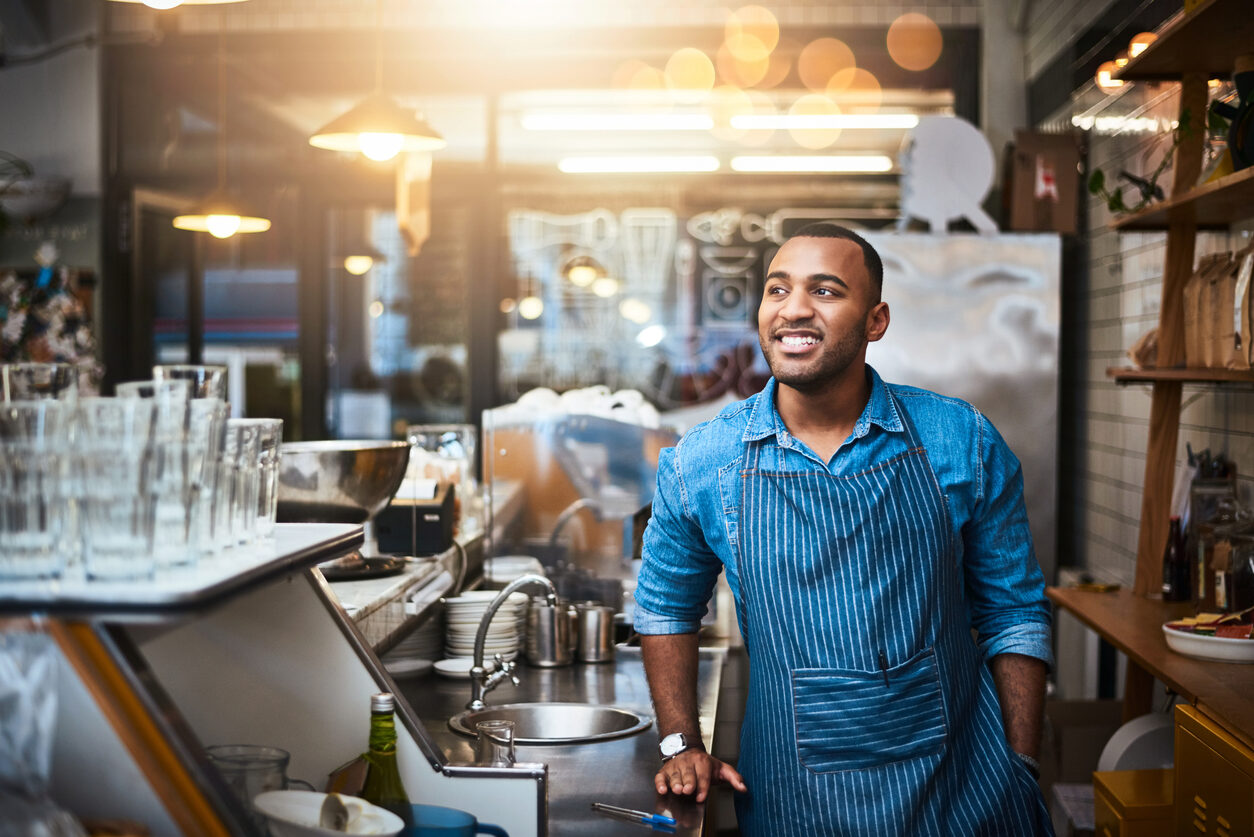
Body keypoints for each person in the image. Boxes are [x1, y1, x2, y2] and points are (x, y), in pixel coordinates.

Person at [633, 222, 1053, 835]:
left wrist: (1020, 762)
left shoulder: (957, 439)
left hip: (964, 799)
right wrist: (679, 744)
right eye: (778, 290)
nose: (794, 309)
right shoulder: (703, 462)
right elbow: (665, 605)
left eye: (825, 291)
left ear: (876, 320)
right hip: (795, 802)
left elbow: (1013, 610)